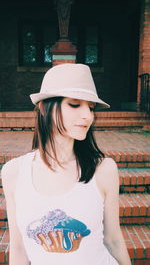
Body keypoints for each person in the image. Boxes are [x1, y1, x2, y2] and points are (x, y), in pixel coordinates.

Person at [2, 63, 131, 265]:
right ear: (44, 108)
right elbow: (19, 248)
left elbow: (113, 240)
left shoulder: (104, 169)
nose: (87, 116)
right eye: (74, 104)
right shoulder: (14, 172)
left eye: (90, 107)